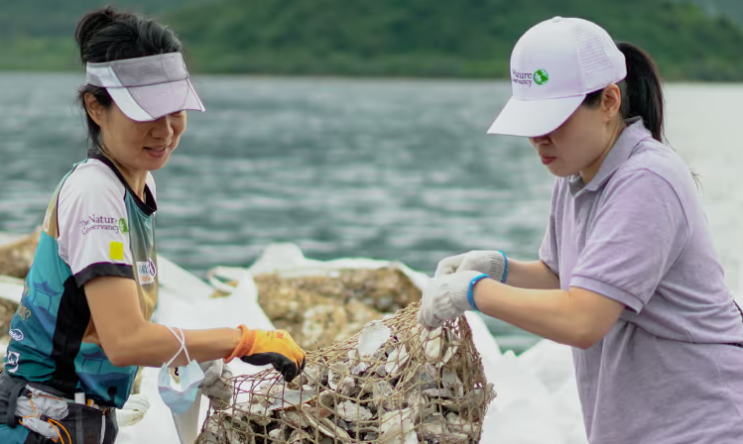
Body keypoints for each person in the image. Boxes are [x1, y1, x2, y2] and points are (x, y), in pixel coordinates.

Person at [418, 16, 743, 443]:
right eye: (531, 123)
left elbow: (583, 319)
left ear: (609, 102)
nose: (539, 139)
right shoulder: (575, 175)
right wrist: (499, 268)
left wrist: (473, 291)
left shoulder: (647, 179)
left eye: (555, 120)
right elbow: (563, 275)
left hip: (703, 425)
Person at [0, 7, 305, 444]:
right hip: (39, 425)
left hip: (79, 422)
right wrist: (241, 340)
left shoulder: (136, 184)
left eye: (175, 110)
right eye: (145, 113)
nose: (164, 131)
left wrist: (194, 355)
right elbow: (125, 341)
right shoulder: (94, 192)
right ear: (95, 106)